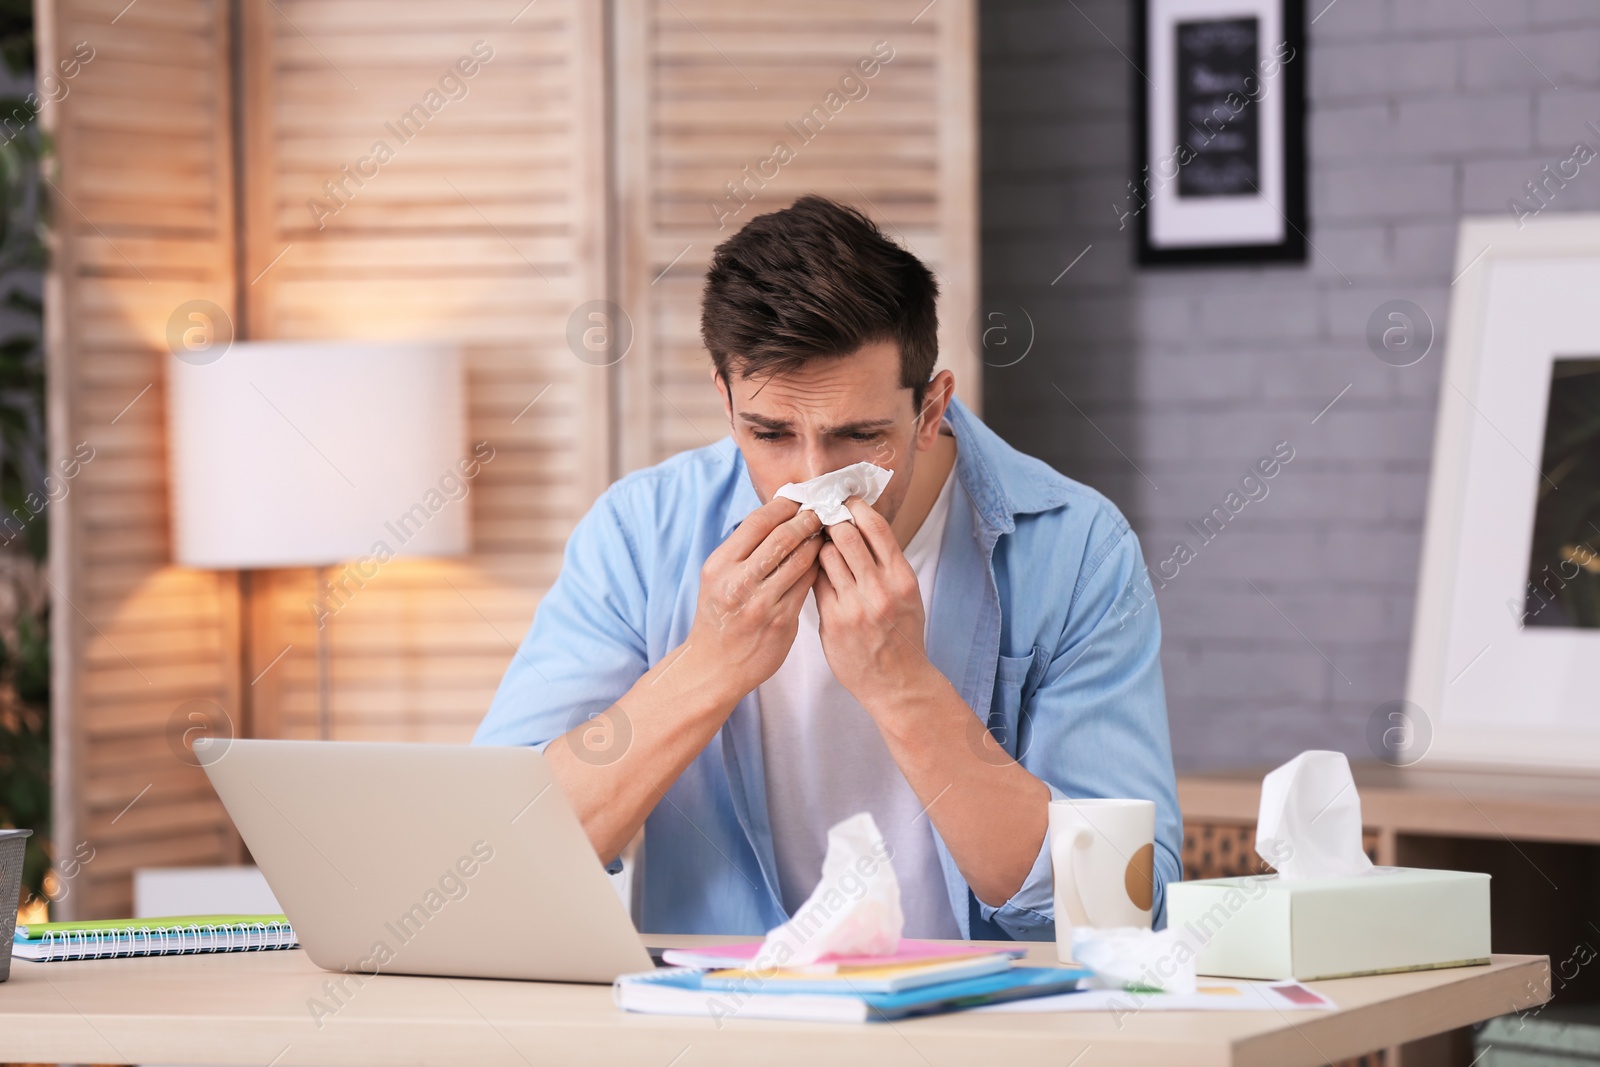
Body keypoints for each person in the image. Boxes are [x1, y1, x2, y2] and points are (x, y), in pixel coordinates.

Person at [474, 195, 1182, 941]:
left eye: (858, 435)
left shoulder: (1076, 550)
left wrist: (905, 688)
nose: (809, 477)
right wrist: (708, 666)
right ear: (725, 400)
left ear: (931, 407)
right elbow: (496, 852)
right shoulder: (638, 534)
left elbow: (1126, 905)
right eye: (770, 432)